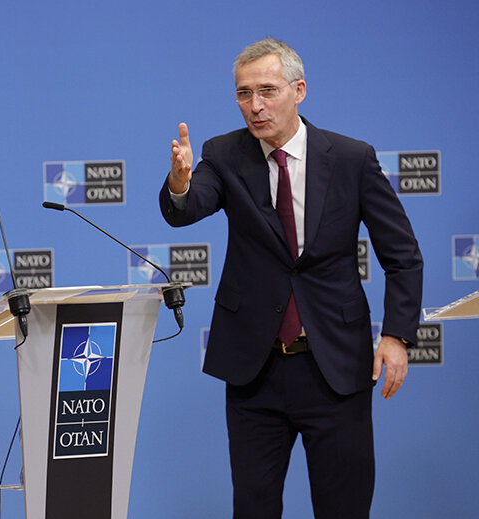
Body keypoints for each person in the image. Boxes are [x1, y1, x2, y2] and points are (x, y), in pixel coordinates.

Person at [159, 38, 423, 518]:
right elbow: (187, 208)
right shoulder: (224, 154)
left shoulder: (350, 158)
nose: (255, 106)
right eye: (243, 94)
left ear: (299, 90)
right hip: (255, 371)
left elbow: (402, 255)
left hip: (336, 369)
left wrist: (397, 335)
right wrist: (180, 181)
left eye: (267, 90)